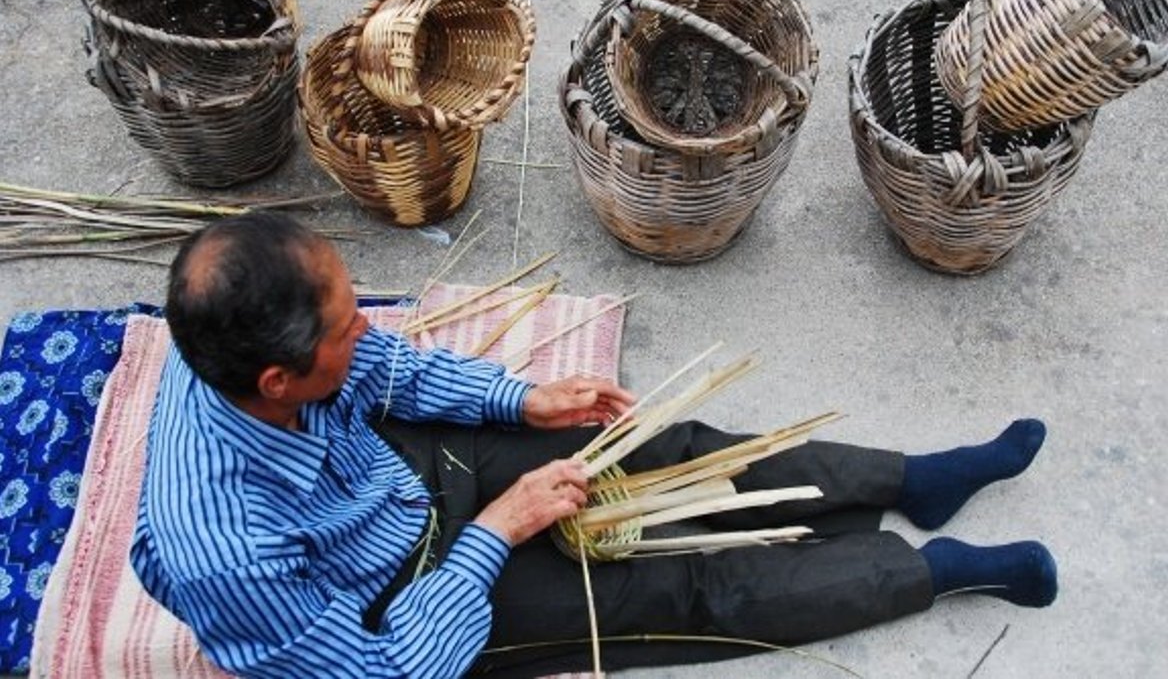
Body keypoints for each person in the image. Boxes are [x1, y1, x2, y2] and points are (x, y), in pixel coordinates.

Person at [131, 213, 1058, 679]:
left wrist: (520, 400)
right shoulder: (225, 553)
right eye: (344, 326)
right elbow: (388, 671)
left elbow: (386, 368)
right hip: (399, 596)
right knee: (674, 590)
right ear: (278, 382)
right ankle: (929, 572)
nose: (367, 326)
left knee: (652, 444)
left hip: (398, 476)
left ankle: (910, 481)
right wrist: (495, 533)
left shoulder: (225, 333)